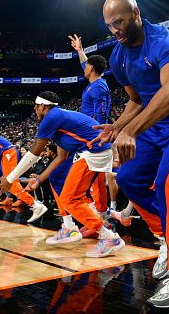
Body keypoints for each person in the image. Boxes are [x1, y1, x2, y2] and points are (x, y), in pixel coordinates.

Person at [95, 0, 169, 309]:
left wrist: (132, 129)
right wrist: (118, 126)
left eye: (119, 21)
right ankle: (166, 239)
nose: (115, 30)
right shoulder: (118, 57)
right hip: (155, 124)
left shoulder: (165, 40)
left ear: (136, 13)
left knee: (168, 183)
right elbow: (136, 100)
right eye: (109, 25)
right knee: (129, 178)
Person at [0, 91, 124, 258]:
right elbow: (61, 157)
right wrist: (40, 179)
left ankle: (110, 238)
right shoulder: (59, 121)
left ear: (42, 106)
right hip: (88, 153)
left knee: (70, 199)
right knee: (55, 178)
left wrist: (10, 178)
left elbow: (34, 154)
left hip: (94, 153)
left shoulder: (52, 117)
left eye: (36, 107)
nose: (35, 111)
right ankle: (69, 227)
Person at [68, 34, 114, 228]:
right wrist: (80, 50)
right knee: (97, 181)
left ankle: (97, 219)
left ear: (92, 69)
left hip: (93, 139)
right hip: (93, 139)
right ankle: (101, 217)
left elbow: (101, 115)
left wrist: (94, 137)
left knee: (84, 183)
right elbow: (85, 64)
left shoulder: (97, 88)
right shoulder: (95, 82)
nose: (83, 67)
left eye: (87, 66)